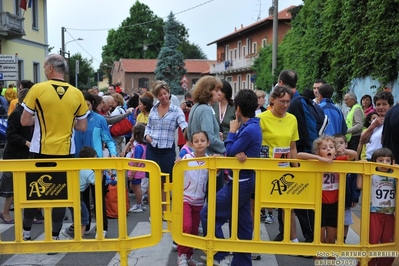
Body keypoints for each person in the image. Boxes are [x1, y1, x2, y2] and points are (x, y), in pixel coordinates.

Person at [20, 53, 89, 242]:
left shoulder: (38, 89)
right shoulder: (77, 93)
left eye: (44, 67)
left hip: (40, 150)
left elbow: (25, 121)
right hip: (65, 152)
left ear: (50, 69)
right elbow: (82, 126)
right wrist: (65, 120)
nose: (43, 70)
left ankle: (26, 234)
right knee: (60, 195)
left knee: (34, 192)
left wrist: (44, 119)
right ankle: (54, 236)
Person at [200, 89, 262, 266]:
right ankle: (241, 261)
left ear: (238, 109)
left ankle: (220, 254)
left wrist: (232, 132)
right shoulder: (251, 126)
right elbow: (233, 152)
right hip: (241, 180)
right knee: (242, 222)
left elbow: (229, 152)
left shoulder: (249, 129)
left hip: (240, 182)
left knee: (208, 213)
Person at [297, 135, 357, 244]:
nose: (328, 149)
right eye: (324, 148)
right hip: (319, 204)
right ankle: (319, 258)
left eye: (331, 147)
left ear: (335, 150)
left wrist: (343, 150)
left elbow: (354, 155)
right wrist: (319, 158)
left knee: (330, 239)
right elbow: (299, 155)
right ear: (318, 151)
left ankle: (330, 259)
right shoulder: (315, 162)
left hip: (334, 204)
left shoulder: (339, 160)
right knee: (319, 239)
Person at [74, 92, 117, 238]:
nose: (84, 107)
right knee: (81, 199)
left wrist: (113, 155)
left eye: (87, 104)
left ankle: (102, 227)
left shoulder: (99, 119)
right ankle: (84, 226)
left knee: (98, 197)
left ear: (92, 104)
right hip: (77, 164)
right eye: (82, 104)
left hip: (96, 164)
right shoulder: (72, 118)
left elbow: (109, 140)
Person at [257, 85, 298, 235]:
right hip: (265, 171)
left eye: (288, 101)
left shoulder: (292, 119)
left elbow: (292, 146)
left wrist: (297, 169)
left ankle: (292, 239)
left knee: (288, 207)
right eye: (282, 101)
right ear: (272, 100)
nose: (285, 105)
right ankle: (255, 241)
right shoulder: (260, 119)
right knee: (257, 206)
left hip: (284, 171)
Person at [144, 80, 187, 211]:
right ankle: (153, 213)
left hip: (167, 150)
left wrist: (190, 135)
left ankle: (164, 212)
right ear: (157, 96)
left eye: (165, 93)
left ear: (169, 93)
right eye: (160, 95)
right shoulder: (153, 108)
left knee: (165, 182)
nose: (163, 97)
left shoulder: (176, 110)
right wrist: (147, 136)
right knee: (153, 181)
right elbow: (149, 126)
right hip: (152, 148)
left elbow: (183, 125)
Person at [356, 148, 396, 266]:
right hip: (373, 213)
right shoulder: (371, 175)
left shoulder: (395, 176)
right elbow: (360, 185)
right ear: (374, 161)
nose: (384, 163)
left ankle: (384, 263)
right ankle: (366, 263)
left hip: (390, 214)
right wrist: (361, 172)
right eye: (380, 160)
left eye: (388, 161)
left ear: (392, 162)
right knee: (371, 240)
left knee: (389, 241)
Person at [176, 131, 210, 266]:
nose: (200, 143)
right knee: (186, 226)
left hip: (200, 200)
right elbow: (177, 171)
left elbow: (217, 173)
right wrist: (177, 164)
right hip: (185, 198)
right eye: (196, 141)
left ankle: (189, 257)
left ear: (208, 143)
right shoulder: (186, 158)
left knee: (195, 230)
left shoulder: (210, 160)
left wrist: (218, 162)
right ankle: (181, 255)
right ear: (191, 144)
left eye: (202, 140)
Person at [0, 88, 33, 224]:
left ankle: (26, 214)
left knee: (23, 187)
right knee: (12, 188)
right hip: (15, 155)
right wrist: (26, 143)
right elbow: (10, 134)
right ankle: (5, 212)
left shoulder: (29, 113)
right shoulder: (17, 113)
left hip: (24, 154)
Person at [187, 76, 225, 191]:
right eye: (216, 90)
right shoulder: (205, 109)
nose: (219, 93)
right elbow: (209, 137)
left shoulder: (195, 107)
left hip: (198, 158)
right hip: (211, 159)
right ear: (208, 91)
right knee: (214, 198)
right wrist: (226, 146)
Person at [61, 146, 96, 239]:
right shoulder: (87, 171)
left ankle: (70, 231)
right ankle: (79, 237)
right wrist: (100, 171)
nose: (96, 159)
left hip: (69, 192)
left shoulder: (78, 165)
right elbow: (96, 181)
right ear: (89, 159)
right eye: (95, 157)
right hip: (76, 194)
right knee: (84, 216)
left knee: (78, 214)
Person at [333, 133, 360, 243]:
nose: (339, 145)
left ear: (346, 144)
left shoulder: (346, 158)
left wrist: (355, 197)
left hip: (346, 196)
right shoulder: (329, 158)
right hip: (332, 194)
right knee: (333, 218)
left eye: (341, 143)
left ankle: (342, 239)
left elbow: (354, 154)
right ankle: (333, 238)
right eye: (335, 143)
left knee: (346, 219)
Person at [359, 91, 393, 161]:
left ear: (390, 106)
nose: (381, 107)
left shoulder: (392, 121)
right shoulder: (375, 121)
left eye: (384, 104)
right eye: (378, 104)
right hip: (370, 159)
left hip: (384, 161)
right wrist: (372, 126)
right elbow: (363, 141)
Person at [127, 123, 147, 213]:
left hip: (136, 171)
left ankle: (139, 204)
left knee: (136, 187)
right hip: (140, 170)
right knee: (133, 186)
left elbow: (136, 161)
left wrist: (132, 173)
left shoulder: (139, 148)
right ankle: (140, 203)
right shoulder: (143, 146)